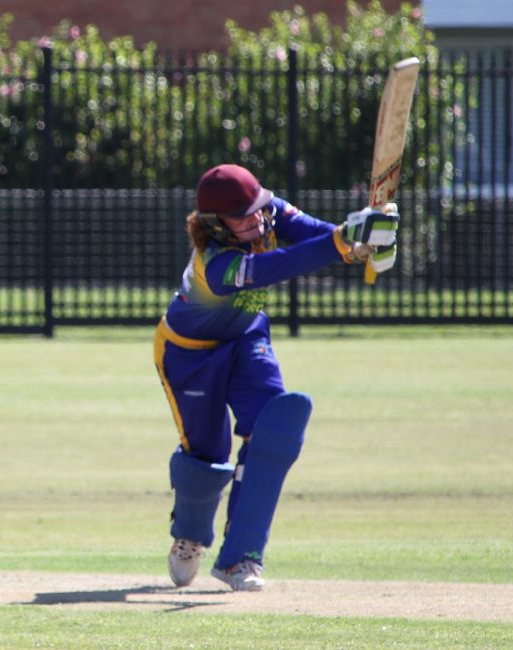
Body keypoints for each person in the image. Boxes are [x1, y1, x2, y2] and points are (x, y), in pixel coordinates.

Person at [153, 164, 398, 591]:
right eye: (244, 217)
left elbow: (306, 231)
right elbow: (276, 266)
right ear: (217, 226)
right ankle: (189, 535)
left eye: (259, 209)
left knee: (274, 429)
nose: (258, 219)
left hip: (246, 336)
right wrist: (343, 242)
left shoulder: (264, 212)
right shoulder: (217, 262)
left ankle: (240, 559)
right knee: (208, 454)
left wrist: (361, 237)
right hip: (188, 355)